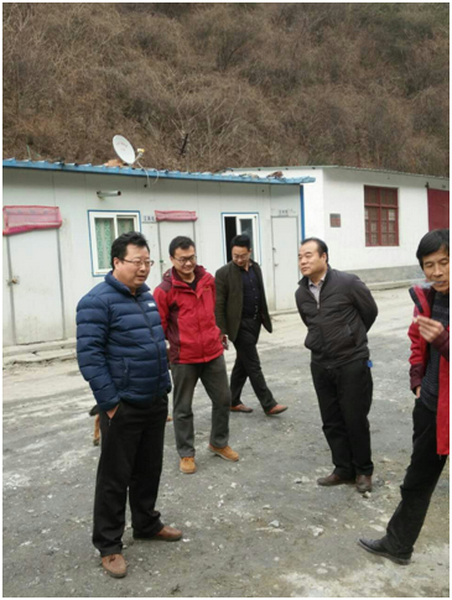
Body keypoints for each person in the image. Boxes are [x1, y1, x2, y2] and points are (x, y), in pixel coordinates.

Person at [76, 231, 182, 579]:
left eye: (148, 262)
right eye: (137, 262)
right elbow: (90, 357)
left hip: (153, 399)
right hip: (123, 405)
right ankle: (109, 544)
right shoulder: (96, 302)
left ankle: (146, 524)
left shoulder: (146, 296)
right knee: (114, 477)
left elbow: (154, 345)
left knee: (149, 468)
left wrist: (163, 389)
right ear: (116, 262)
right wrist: (110, 404)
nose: (144, 268)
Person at [359, 229, 449, 565]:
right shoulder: (426, 298)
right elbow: (416, 340)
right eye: (429, 265)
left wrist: (444, 341)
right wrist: (417, 380)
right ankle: (398, 545)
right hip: (431, 406)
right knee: (417, 481)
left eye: (444, 262)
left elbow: (438, 342)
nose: (437, 272)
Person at [295, 237, 378, 494]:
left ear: (324, 257)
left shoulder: (348, 283)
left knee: (355, 418)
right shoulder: (301, 293)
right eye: (300, 257)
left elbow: (370, 312)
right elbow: (310, 322)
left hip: (351, 361)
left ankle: (363, 470)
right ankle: (343, 469)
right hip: (320, 363)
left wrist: (351, 337)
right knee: (331, 420)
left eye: (308, 255)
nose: (303, 261)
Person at [154, 236, 239, 475]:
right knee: (183, 408)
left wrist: (218, 332)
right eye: (182, 259)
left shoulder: (208, 281)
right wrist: (169, 349)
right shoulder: (164, 291)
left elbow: (216, 310)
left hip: (212, 352)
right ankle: (186, 453)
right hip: (184, 358)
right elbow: (159, 326)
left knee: (223, 399)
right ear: (172, 259)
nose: (188, 263)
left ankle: (219, 443)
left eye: (192, 257)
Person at [215, 234, 288, 415]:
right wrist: (221, 331)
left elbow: (260, 294)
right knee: (253, 364)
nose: (239, 259)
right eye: (235, 256)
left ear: (250, 252)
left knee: (243, 363)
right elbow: (219, 304)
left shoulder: (256, 268)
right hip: (238, 325)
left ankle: (232, 400)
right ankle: (268, 403)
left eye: (243, 255)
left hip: (255, 322)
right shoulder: (223, 273)